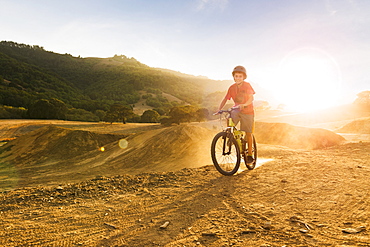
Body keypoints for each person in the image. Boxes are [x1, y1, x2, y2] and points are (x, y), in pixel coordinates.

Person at [217, 65, 255, 163]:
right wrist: (219, 109)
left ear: (243, 77)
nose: (238, 78)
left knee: (248, 133)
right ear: (233, 77)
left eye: (240, 76)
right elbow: (225, 99)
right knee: (229, 118)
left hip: (248, 111)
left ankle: (250, 154)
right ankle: (230, 136)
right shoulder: (231, 88)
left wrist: (245, 104)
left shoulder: (247, 85)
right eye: (236, 76)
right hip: (237, 110)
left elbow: (251, 98)